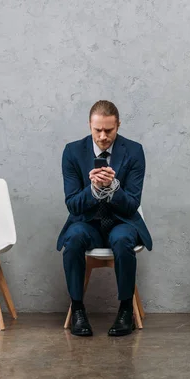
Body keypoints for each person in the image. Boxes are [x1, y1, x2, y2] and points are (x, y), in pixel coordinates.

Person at [57, 100, 152, 337]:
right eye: (97, 130)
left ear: (118, 126)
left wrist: (113, 186)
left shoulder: (134, 151)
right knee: (74, 238)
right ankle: (78, 308)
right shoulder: (72, 152)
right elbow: (72, 204)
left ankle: (125, 311)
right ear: (89, 125)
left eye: (108, 130)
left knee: (122, 240)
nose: (102, 136)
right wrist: (92, 189)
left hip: (122, 222)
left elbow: (132, 204)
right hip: (87, 223)